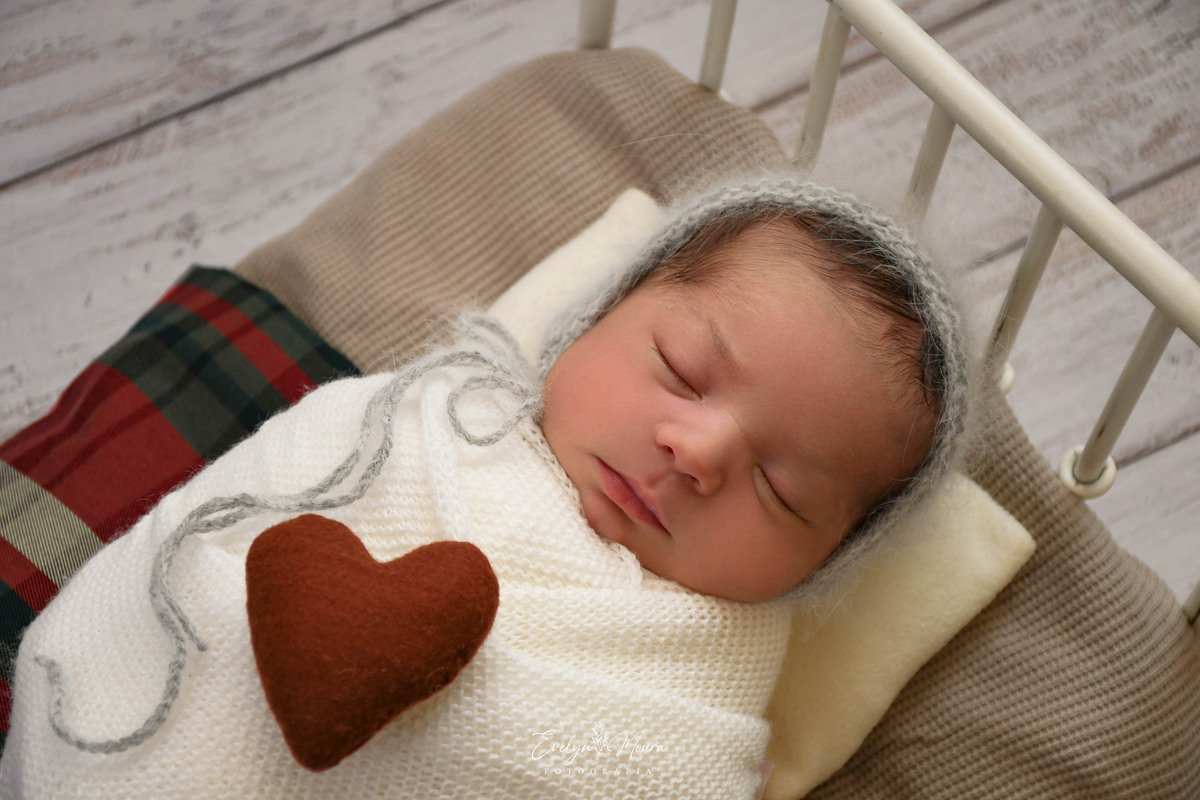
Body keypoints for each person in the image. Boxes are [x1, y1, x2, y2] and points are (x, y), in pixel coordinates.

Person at [0, 176, 968, 799]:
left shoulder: (703, 687)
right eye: (679, 366)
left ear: (825, 561)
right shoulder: (415, 424)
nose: (699, 452)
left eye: (781, 487)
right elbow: (246, 513)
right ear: (597, 318)